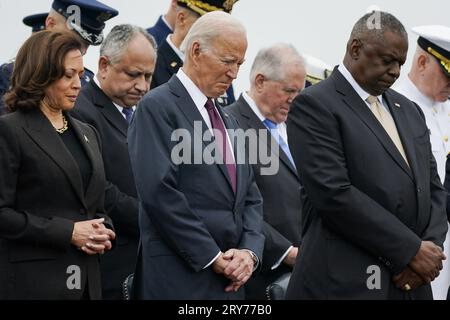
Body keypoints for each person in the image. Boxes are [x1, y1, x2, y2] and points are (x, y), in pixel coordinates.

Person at [285, 11, 448, 300]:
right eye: (387, 61)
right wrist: (410, 250)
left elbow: (434, 188)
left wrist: (428, 252)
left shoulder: (408, 110)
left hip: (412, 284)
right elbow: (334, 194)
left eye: (400, 62)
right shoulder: (316, 105)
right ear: (356, 49)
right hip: (348, 283)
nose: (396, 71)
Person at [128, 11, 264, 300]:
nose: (235, 73)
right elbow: (159, 192)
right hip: (180, 280)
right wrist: (212, 257)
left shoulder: (229, 119)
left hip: (230, 284)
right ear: (196, 50)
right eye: (228, 61)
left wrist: (249, 253)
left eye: (239, 64)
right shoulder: (157, 106)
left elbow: (250, 196)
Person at [0, 30, 116, 300]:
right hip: (33, 286)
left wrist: (104, 230)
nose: (79, 84)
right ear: (41, 75)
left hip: (87, 283)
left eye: (80, 74)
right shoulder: (9, 131)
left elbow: (95, 206)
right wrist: (69, 232)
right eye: (68, 75)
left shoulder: (88, 132)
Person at [71, 24, 157, 299]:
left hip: (147, 260)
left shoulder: (145, 113)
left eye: (148, 76)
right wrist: (155, 219)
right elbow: (97, 187)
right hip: (110, 264)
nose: (143, 86)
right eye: (133, 74)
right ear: (104, 65)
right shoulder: (79, 110)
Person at [227, 43, 306, 299]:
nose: (294, 99)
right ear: (260, 81)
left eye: (299, 91)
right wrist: (285, 251)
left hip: (307, 272)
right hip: (259, 277)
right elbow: (233, 205)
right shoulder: (228, 126)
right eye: (288, 90)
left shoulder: (298, 127)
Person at [394, 25, 450, 300]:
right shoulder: (395, 106)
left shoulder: (447, 109)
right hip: (415, 247)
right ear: (422, 61)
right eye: (447, 76)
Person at [0, 0, 119, 115]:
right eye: (75, 41)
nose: (82, 51)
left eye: (87, 44)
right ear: (51, 24)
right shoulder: (13, 73)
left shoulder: (87, 80)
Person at [151, 0, 238, 107]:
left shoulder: (218, 66)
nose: (215, 35)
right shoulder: (151, 61)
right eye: (206, 27)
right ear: (182, 19)